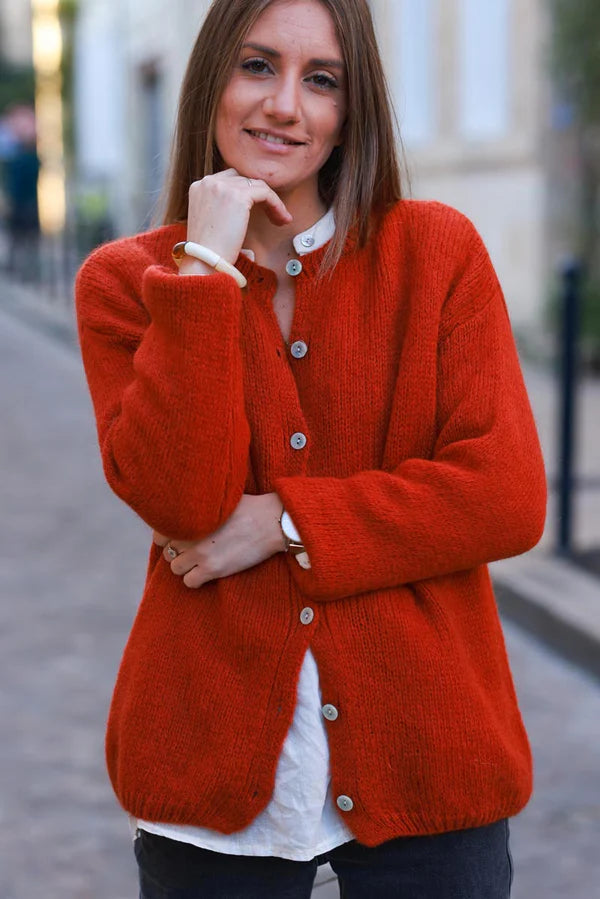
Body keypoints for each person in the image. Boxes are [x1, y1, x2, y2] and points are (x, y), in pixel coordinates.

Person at [74, 1, 547, 896]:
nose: (284, 105)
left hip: (430, 756)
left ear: (351, 108)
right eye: (257, 66)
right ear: (211, 78)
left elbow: (506, 493)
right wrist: (204, 272)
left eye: (320, 79)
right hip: (207, 759)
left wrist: (284, 522)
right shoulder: (126, 284)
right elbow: (182, 499)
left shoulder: (436, 252)